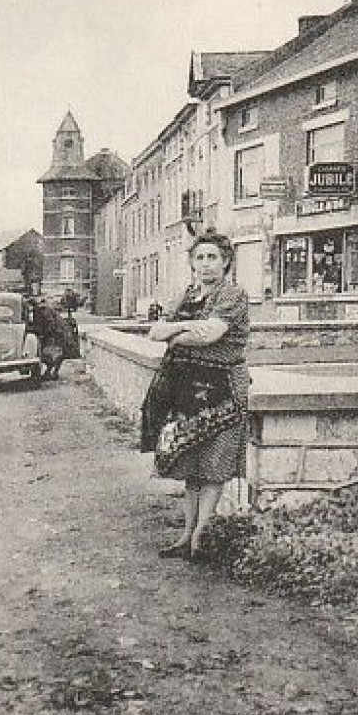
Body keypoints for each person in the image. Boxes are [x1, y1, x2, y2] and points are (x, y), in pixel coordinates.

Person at [142, 229, 251, 562]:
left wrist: (176, 333)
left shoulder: (232, 295)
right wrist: (180, 330)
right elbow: (154, 331)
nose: (206, 265)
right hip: (186, 389)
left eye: (213, 258)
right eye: (200, 258)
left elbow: (210, 335)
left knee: (214, 465)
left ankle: (202, 534)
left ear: (226, 261)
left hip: (223, 392)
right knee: (190, 464)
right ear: (192, 263)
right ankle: (186, 534)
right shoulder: (187, 296)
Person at [32, 298, 65, 381]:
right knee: (55, 354)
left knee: (52, 354)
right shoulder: (46, 309)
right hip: (58, 332)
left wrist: (45, 335)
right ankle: (51, 372)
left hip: (55, 334)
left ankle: (51, 372)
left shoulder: (43, 310)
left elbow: (50, 323)